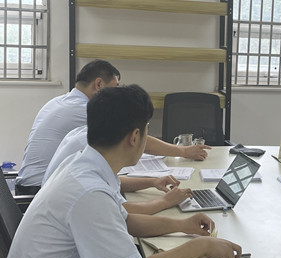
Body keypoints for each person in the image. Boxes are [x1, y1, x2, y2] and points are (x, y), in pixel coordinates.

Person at [0, 85, 242, 258]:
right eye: (147, 131)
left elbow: (126, 221)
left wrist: (182, 225)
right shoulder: (88, 191)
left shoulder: (83, 164)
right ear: (135, 137)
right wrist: (201, 246)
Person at [16, 59, 210, 195]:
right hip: (39, 189)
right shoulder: (84, 109)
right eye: (115, 87)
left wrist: (152, 182)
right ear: (99, 84)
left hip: (36, 183)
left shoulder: (60, 101)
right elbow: (136, 134)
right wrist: (183, 151)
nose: (117, 94)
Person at [42, 125, 193, 215]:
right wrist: (165, 201)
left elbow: (115, 186)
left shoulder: (89, 155)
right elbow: (124, 212)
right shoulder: (90, 190)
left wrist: (152, 182)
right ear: (134, 137)